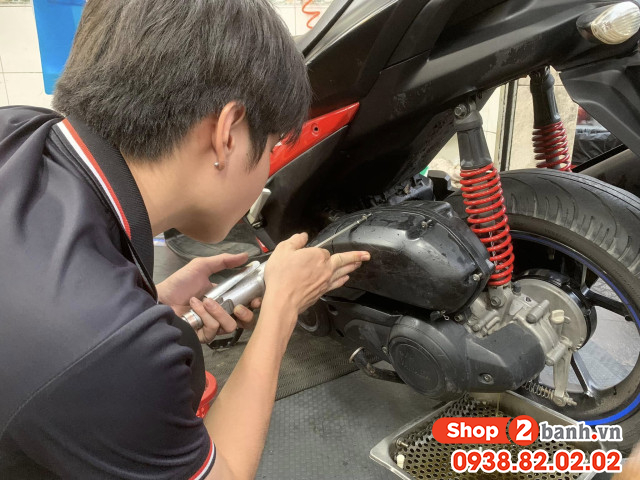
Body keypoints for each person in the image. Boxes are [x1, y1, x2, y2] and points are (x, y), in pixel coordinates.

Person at [0, 1, 370, 478]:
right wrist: (283, 305)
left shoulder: (17, 128)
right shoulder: (109, 349)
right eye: (272, 145)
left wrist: (146, 304)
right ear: (226, 134)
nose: (267, 168)